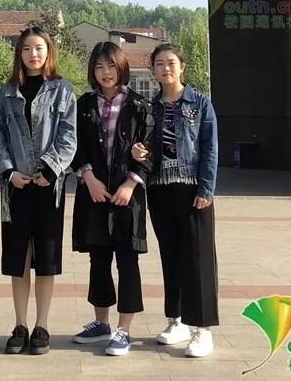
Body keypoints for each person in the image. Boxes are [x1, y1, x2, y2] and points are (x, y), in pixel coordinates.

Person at [0, 27, 77, 355]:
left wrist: (51, 169)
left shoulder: (62, 90)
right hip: (15, 187)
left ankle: (42, 326)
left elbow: (68, 136)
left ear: (48, 51)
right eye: (27, 48)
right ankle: (20, 325)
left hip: (48, 188)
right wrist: (8, 171)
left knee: (46, 258)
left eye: (39, 48)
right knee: (18, 258)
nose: (33, 54)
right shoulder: (7, 93)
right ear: (20, 53)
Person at [132, 43, 219, 357]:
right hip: (159, 189)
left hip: (192, 189)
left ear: (182, 67)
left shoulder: (201, 103)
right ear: (153, 70)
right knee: (170, 256)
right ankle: (176, 320)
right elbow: (144, 145)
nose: (165, 68)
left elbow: (210, 149)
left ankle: (203, 329)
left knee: (198, 258)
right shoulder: (149, 107)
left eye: (171, 63)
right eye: (159, 63)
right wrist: (138, 152)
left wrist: (206, 190)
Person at [71, 42, 153, 356]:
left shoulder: (139, 105)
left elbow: (149, 149)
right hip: (94, 192)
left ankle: (124, 329)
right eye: (100, 67)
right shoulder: (83, 104)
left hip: (126, 196)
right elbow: (74, 145)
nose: (106, 73)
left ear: (121, 68)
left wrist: (130, 184)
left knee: (128, 260)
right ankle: (101, 323)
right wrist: (88, 177)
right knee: (98, 259)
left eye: (111, 67)